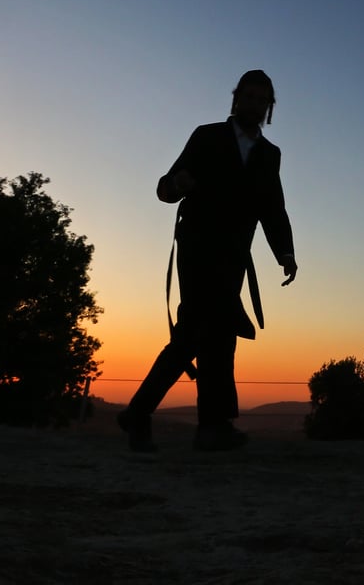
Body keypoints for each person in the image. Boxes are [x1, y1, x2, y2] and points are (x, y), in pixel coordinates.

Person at [118, 70, 297, 452]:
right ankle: (212, 426)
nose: (253, 104)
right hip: (198, 247)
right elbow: (168, 185)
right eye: (247, 97)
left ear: (269, 107)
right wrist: (176, 186)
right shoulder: (207, 135)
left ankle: (147, 414)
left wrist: (285, 252)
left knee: (198, 334)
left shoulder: (270, 155)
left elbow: (272, 207)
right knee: (210, 327)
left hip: (234, 255)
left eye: (261, 99)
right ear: (236, 99)